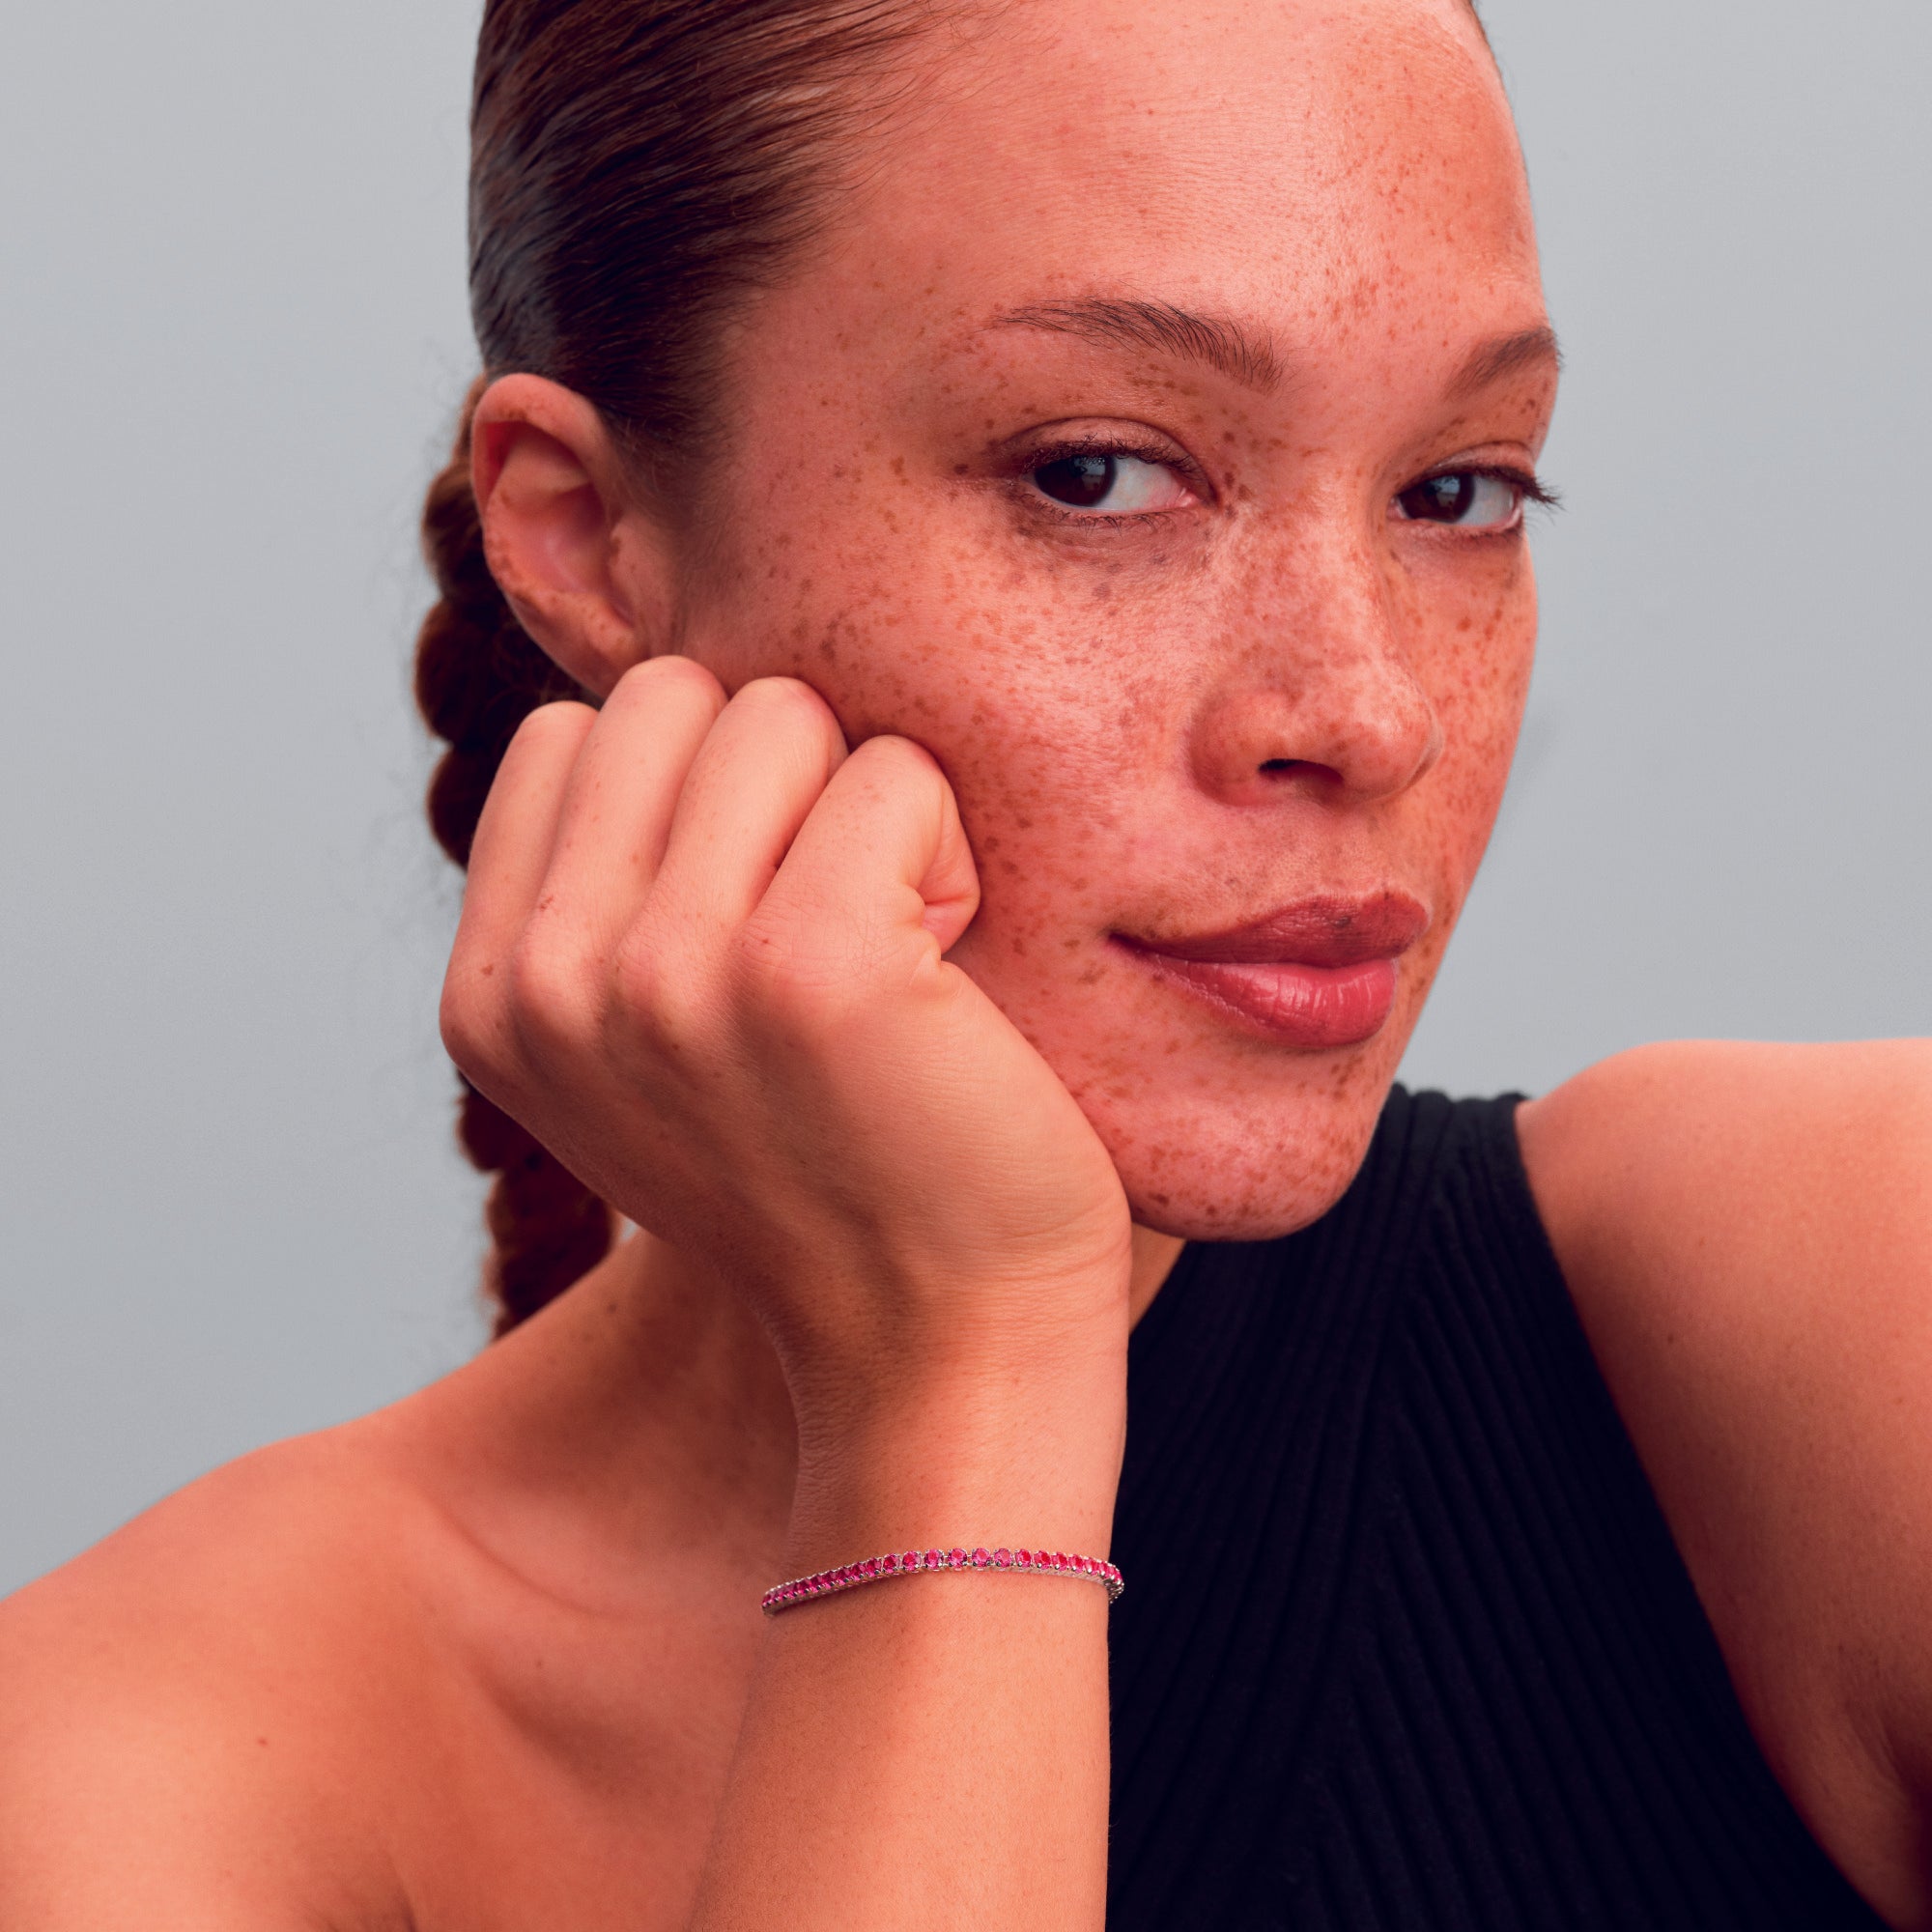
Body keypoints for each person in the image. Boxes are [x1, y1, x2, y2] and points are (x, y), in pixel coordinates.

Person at [1, 0, 1926, 1923]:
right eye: (1099, 474)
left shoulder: (1828, 1320)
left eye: (1460, 490)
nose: (1364, 711)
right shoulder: (144, 1776)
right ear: (583, 532)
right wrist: (963, 1386)